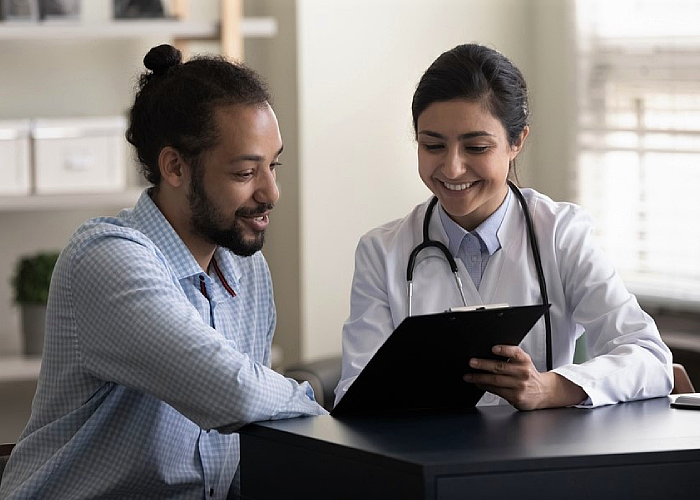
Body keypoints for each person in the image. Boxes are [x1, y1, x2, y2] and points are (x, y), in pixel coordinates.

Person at [0, 44, 326, 500]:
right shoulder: (107, 259)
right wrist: (317, 404)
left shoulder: (245, 270)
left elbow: (239, 447)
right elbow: (233, 394)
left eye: (274, 166)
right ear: (174, 167)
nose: (271, 192)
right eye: (245, 172)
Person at [335, 43, 673, 411]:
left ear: (517, 142)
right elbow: (354, 394)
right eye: (432, 145)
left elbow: (650, 356)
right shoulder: (381, 252)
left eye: (476, 148)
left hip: (538, 461)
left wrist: (550, 388)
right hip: (426, 462)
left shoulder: (561, 234)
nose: (451, 168)